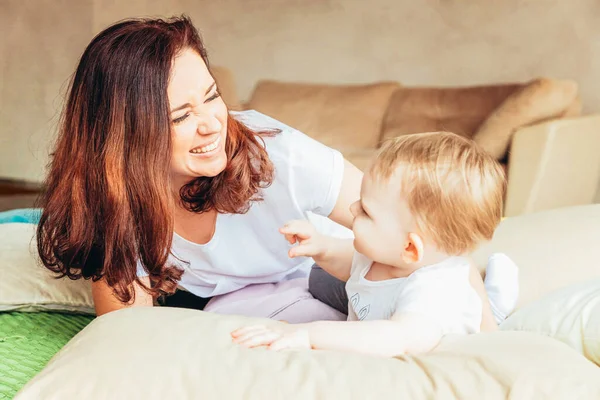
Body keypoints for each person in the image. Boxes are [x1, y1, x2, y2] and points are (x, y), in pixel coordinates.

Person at [36, 15, 498, 330]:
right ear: (123, 135)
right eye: (180, 115)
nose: (213, 123)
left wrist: (490, 340)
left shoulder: (277, 154)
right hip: (226, 306)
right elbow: (126, 340)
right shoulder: (112, 205)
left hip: (316, 269)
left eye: (212, 95)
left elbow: (427, 236)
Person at [231, 132, 519, 356]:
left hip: (434, 342)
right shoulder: (383, 255)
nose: (353, 208)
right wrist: (321, 246)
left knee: (479, 317)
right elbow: (349, 264)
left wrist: (309, 335)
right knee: (319, 277)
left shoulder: (433, 294)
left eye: (366, 211)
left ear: (410, 248)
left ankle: (492, 307)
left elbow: (396, 339)